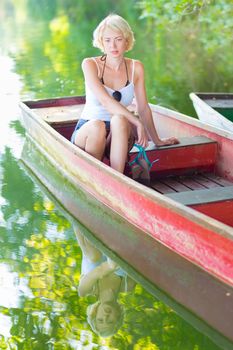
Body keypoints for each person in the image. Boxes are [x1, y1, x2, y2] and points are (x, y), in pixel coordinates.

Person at [71, 14, 178, 174]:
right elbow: (106, 102)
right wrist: (136, 122)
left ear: (126, 40)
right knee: (97, 126)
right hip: (88, 133)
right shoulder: (90, 64)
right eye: (107, 40)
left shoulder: (136, 68)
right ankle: (92, 175)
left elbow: (143, 107)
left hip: (119, 134)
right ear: (101, 42)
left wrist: (157, 140)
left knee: (120, 120)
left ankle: (118, 179)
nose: (113, 45)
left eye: (118, 39)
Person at [74, 225, 135, 337]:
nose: (106, 317)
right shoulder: (128, 285)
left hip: (88, 225)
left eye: (100, 319)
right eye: (110, 321)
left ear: (95, 313)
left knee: (94, 257)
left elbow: (99, 271)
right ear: (118, 316)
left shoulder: (85, 290)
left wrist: (111, 266)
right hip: (121, 233)